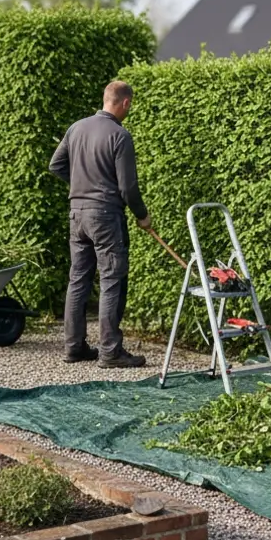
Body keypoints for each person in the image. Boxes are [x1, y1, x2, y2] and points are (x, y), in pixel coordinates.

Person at [48, 80, 152, 368]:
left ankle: (74, 348)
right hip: (105, 216)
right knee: (111, 280)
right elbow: (128, 187)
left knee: (78, 279)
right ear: (125, 103)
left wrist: (82, 186)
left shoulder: (76, 127)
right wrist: (142, 215)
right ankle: (110, 352)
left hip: (77, 214)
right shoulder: (120, 135)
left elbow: (55, 165)